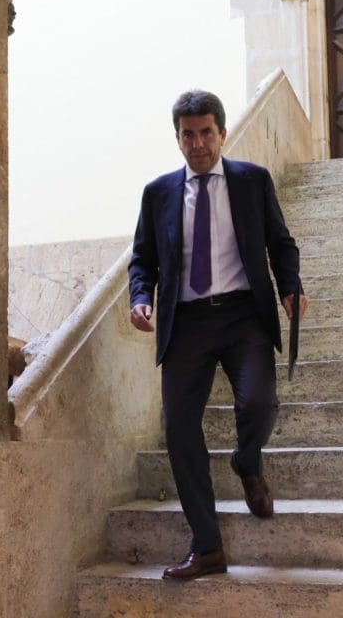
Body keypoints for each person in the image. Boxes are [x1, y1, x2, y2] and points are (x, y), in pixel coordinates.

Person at [128, 89, 308, 580]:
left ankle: (248, 463)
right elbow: (142, 259)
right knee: (179, 430)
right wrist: (140, 297)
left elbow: (281, 243)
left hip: (243, 315)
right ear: (178, 139)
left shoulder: (252, 181)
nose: (198, 143)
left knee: (259, 404)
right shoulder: (159, 193)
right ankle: (207, 547)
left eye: (206, 132)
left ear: (222, 133)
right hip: (185, 322)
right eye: (188, 135)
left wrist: (290, 288)